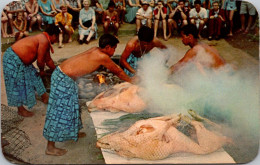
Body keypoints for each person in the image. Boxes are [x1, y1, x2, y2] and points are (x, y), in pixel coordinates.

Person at [43, 34, 133, 156]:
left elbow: (87, 64)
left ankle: (72, 132)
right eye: (114, 48)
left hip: (64, 76)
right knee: (58, 112)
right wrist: (132, 81)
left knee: (72, 106)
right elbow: (118, 71)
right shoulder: (102, 56)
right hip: (62, 79)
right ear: (107, 47)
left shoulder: (95, 50)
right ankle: (50, 147)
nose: (114, 51)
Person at [2, 24, 60, 117]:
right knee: (17, 84)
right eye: (56, 38)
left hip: (23, 61)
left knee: (34, 76)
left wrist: (58, 70)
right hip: (12, 58)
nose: (56, 41)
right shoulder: (43, 40)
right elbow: (40, 61)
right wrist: (41, 71)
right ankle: (20, 110)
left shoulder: (45, 39)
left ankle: (45, 97)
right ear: (54, 35)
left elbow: (48, 60)